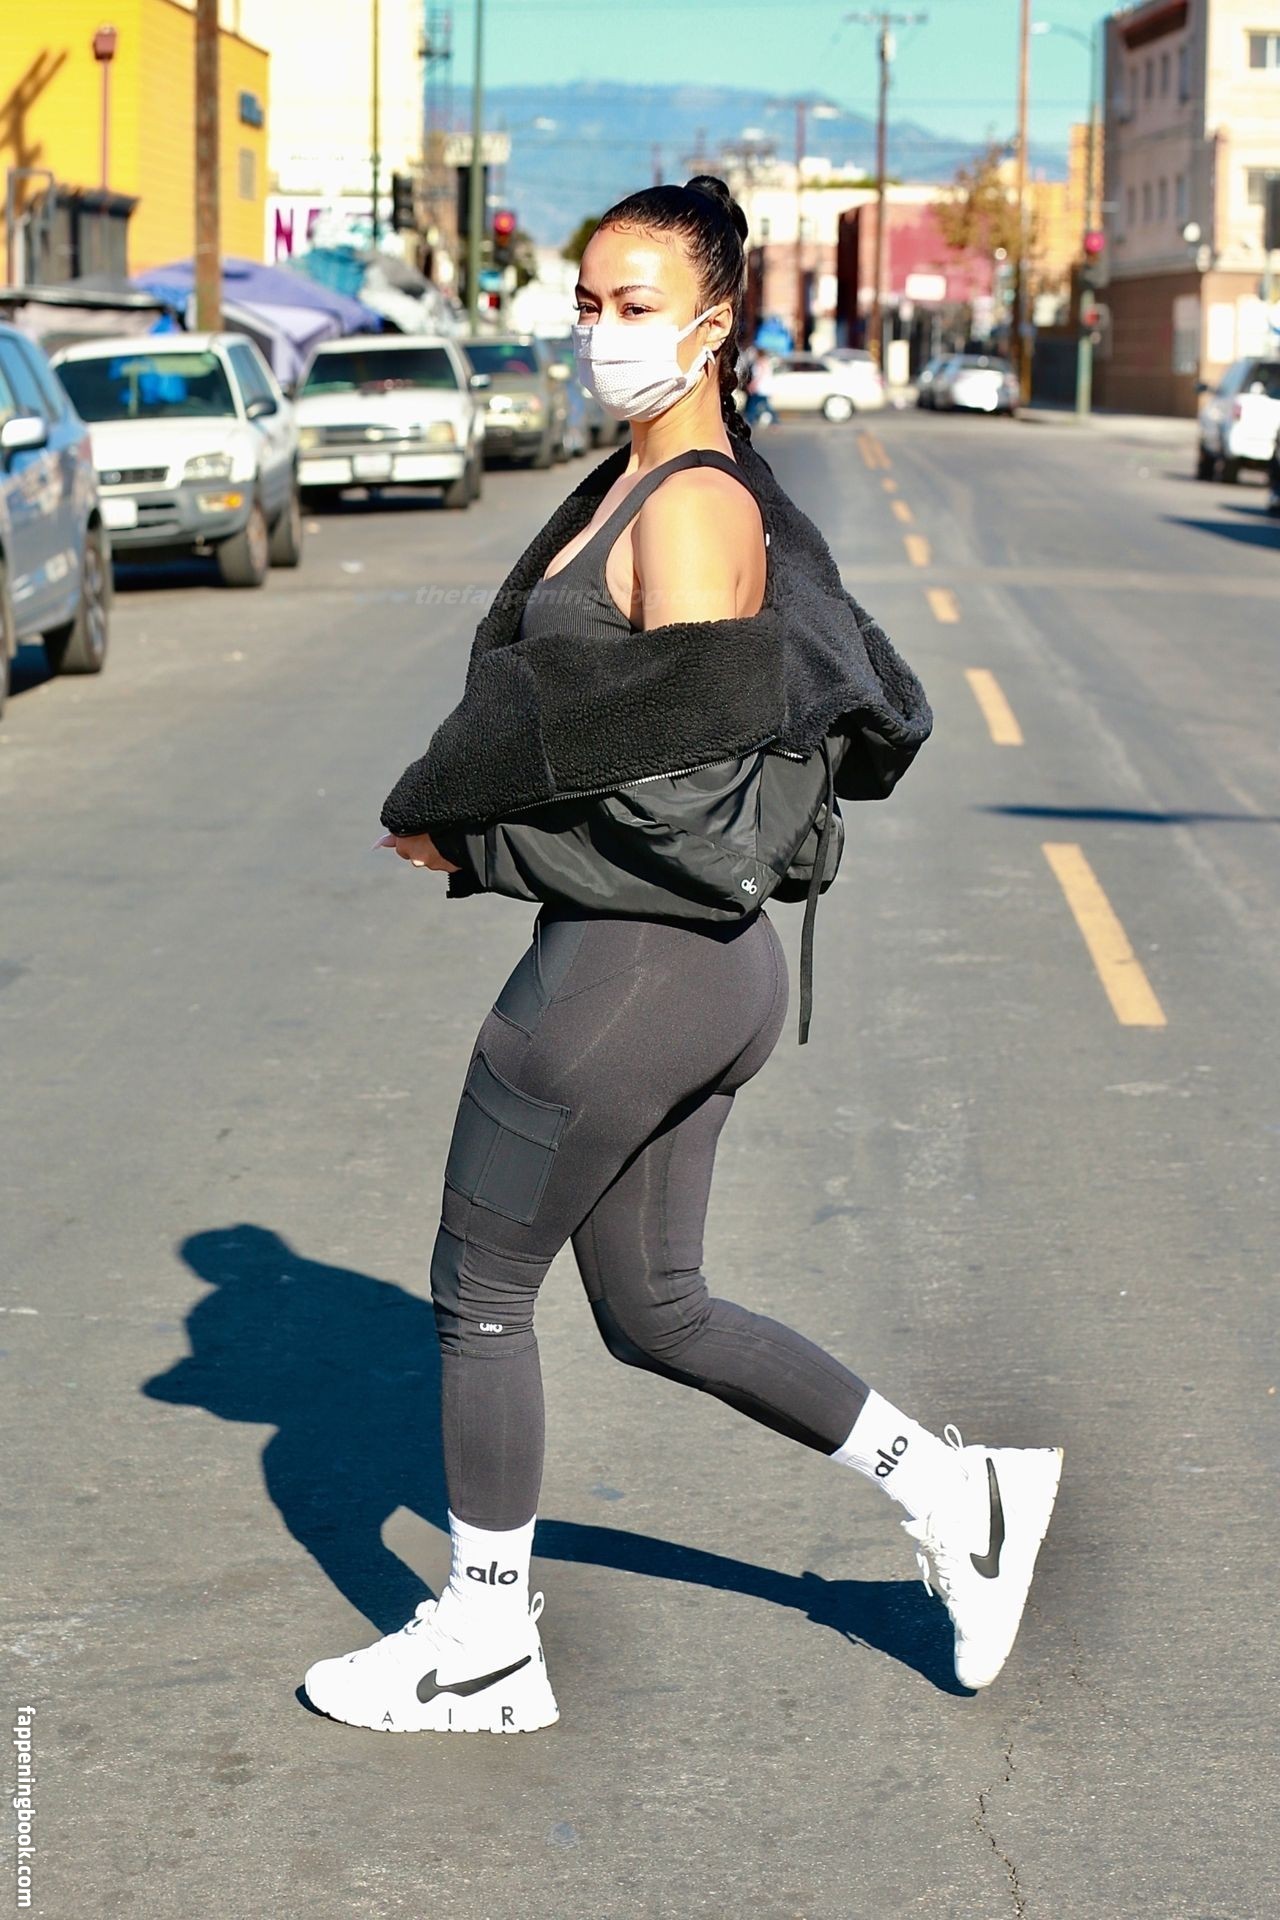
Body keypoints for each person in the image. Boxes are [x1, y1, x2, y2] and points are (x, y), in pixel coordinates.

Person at [302, 176, 1062, 1736]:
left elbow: (689, 810)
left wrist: (475, 842)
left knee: (480, 1291)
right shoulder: (629, 483)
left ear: (715, 323)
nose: (603, 332)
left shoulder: (697, 509)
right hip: (680, 972)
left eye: (637, 306)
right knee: (656, 1308)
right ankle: (956, 1492)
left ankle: (485, 1645)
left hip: (634, 970)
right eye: (588, 303)